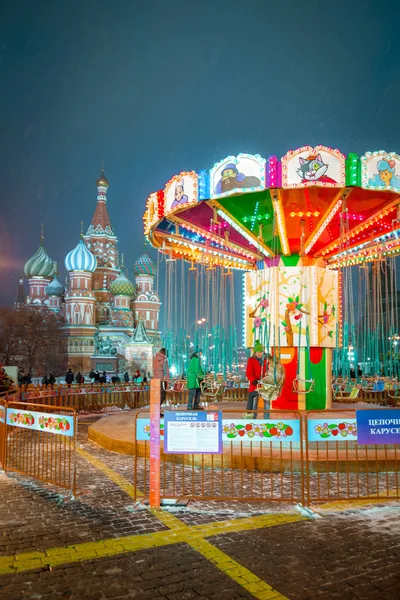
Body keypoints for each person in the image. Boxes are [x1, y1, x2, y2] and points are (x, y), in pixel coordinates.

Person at [244, 340, 268, 418]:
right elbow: (249, 372)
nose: (258, 354)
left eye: (260, 352)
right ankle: (252, 417)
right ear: (254, 352)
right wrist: (253, 380)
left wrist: (267, 379)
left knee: (266, 401)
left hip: (265, 384)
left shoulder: (267, 360)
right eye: (257, 352)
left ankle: (267, 418)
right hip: (255, 383)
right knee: (254, 400)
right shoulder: (251, 360)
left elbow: (270, 370)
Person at [153, 348, 170, 412]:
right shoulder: (164, 360)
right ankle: (156, 409)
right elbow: (166, 371)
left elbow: (153, 370)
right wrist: (168, 379)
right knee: (163, 395)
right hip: (162, 380)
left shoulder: (155, 359)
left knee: (157, 395)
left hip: (155, 379)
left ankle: (157, 410)